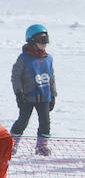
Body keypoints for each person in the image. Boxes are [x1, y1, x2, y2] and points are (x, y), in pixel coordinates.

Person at [11, 23, 55, 156]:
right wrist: (19, 93)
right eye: (41, 41)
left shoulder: (48, 58)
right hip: (27, 96)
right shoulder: (23, 59)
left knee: (45, 122)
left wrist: (53, 94)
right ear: (32, 41)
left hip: (44, 96)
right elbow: (16, 77)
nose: (44, 44)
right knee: (23, 120)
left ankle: (41, 147)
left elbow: (51, 77)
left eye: (46, 40)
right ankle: (12, 144)